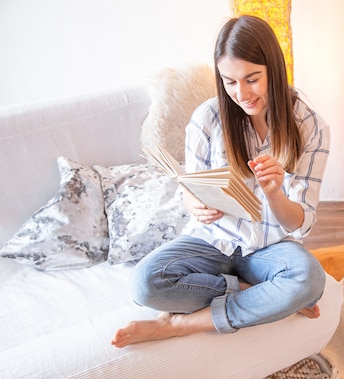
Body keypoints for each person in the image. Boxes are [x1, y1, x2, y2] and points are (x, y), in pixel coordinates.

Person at [111, 15, 330, 348]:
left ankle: (182, 325)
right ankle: (253, 294)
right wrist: (195, 205)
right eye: (229, 82)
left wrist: (275, 194)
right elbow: (188, 188)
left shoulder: (311, 127)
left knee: (308, 280)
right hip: (212, 240)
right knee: (145, 284)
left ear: (274, 68)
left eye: (252, 79)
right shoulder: (207, 117)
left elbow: (301, 224)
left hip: (269, 248)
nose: (241, 93)